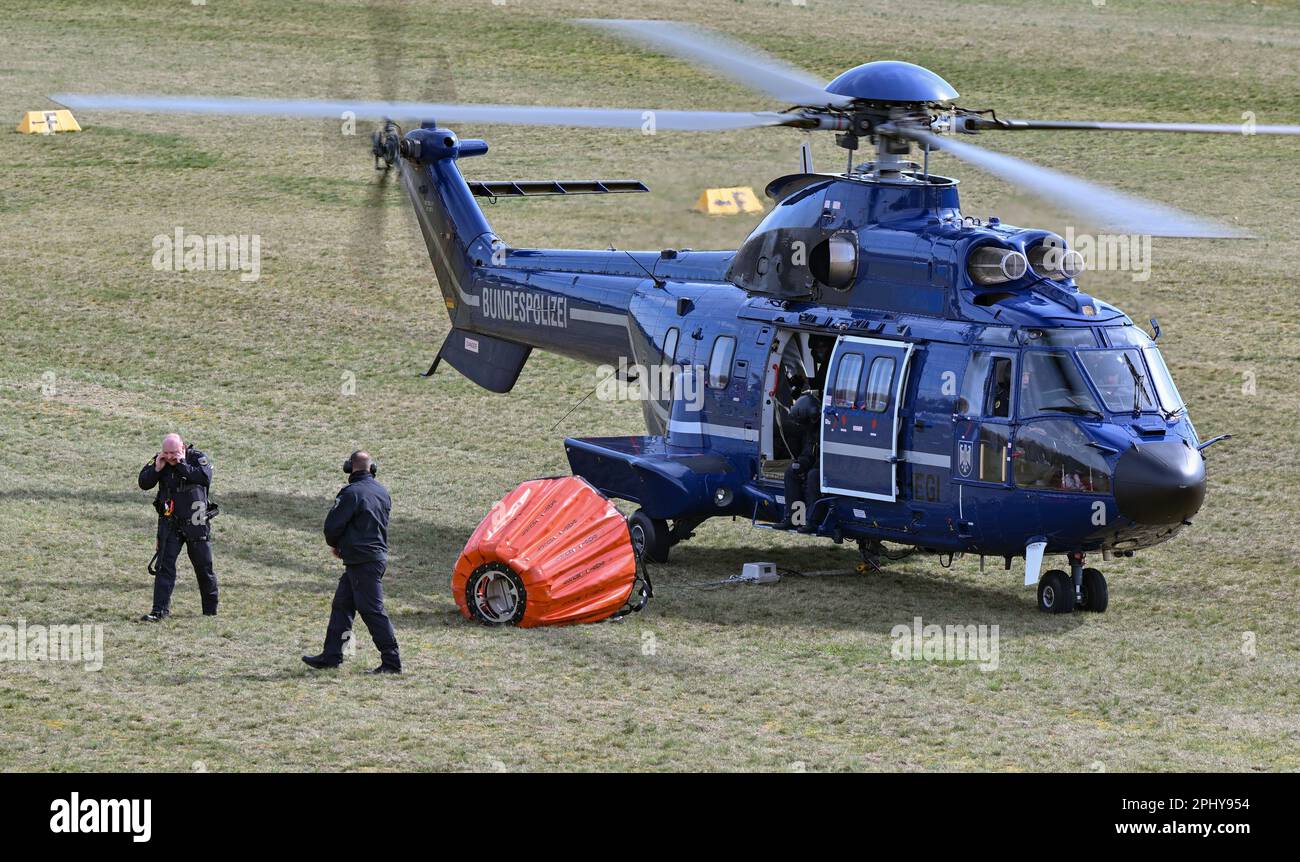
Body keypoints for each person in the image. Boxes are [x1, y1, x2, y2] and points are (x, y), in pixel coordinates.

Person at [302, 451, 401, 674]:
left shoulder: (351, 493)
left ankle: (392, 661)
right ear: (371, 468)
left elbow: (332, 527)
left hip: (362, 561)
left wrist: (336, 544)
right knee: (342, 605)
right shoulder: (382, 492)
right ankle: (331, 656)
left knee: (372, 610)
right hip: (371, 558)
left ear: (350, 468)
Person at [138, 433, 219, 621]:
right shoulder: (161, 460)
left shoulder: (197, 458)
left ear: (182, 448)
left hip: (196, 523)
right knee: (164, 567)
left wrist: (182, 464)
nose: (170, 457)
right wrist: (157, 469)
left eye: (174, 453)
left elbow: (204, 478)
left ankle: (210, 611)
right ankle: (159, 611)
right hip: (170, 523)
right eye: (166, 453)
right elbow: (143, 482)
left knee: (203, 567)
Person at [775, 385, 822, 533]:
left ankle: (812, 521)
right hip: (814, 465)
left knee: (813, 476)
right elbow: (808, 453)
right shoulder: (811, 432)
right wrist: (800, 464)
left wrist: (810, 467)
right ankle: (794, 518)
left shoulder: (827, 430)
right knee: (791, 472)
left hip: (826, 468)